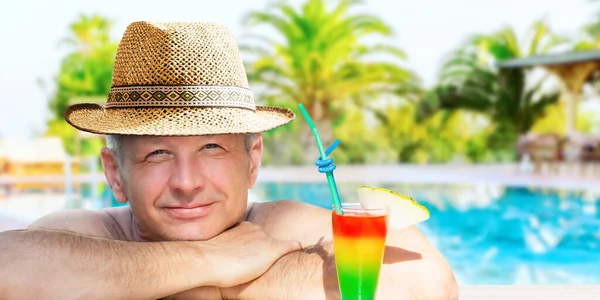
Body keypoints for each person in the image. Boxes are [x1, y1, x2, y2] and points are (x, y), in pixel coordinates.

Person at [0, 21, 458, 300]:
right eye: (157, 153)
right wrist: (209, 260)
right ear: (116, 174)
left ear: (252, 159)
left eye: (211, 148)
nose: (186, 182)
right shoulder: (92, 231)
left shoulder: (283, 224)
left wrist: (179, 279)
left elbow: (427, 284)